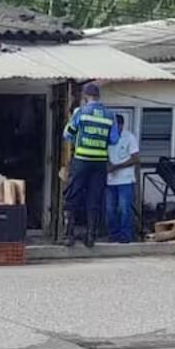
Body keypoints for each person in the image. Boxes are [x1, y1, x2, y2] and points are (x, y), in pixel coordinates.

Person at [61, 82, 119, 247]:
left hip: (81, 160)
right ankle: (91, 236)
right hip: (100, 163)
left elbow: (67, 134)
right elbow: (114, 140)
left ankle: (69, 236)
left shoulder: (81, 112)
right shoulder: (110, 115)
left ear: (85, 97)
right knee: (94, 199)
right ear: (99, 96)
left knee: (72, 196)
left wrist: (80, 137)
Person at [106, 113, 140, 242]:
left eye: (116, 126)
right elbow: (105, 155)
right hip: (110, 180)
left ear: (121, 125)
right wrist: (108, 165)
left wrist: (117, 167)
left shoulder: (129, 137)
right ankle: (113, 235)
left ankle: (125, 236)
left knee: (124, 208)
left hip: (125, 179)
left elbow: (135, 158)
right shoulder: (107, 138)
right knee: (110, 209)